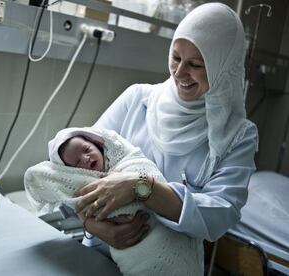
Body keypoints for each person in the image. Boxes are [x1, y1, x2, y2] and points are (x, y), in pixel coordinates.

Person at [74, 2, 259, 273]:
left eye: (196, 64)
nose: (180, 72)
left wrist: (142, 187)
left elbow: (220, 212)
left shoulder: (238, 136)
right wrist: (93, 227)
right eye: (175, 57)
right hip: (100, 253)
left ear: (223, 67)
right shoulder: (137, 99)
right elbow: (74, 171)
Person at [24, 127, 202, 275]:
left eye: (87, 150)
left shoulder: (126, 159)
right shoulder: (85, 181)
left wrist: (136, 184)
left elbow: (147, 173)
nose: (85, 159)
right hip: (118, 252)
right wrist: (89, 223)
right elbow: (74, 199)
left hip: (165, 230)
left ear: (99, 145)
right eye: (77, 163)